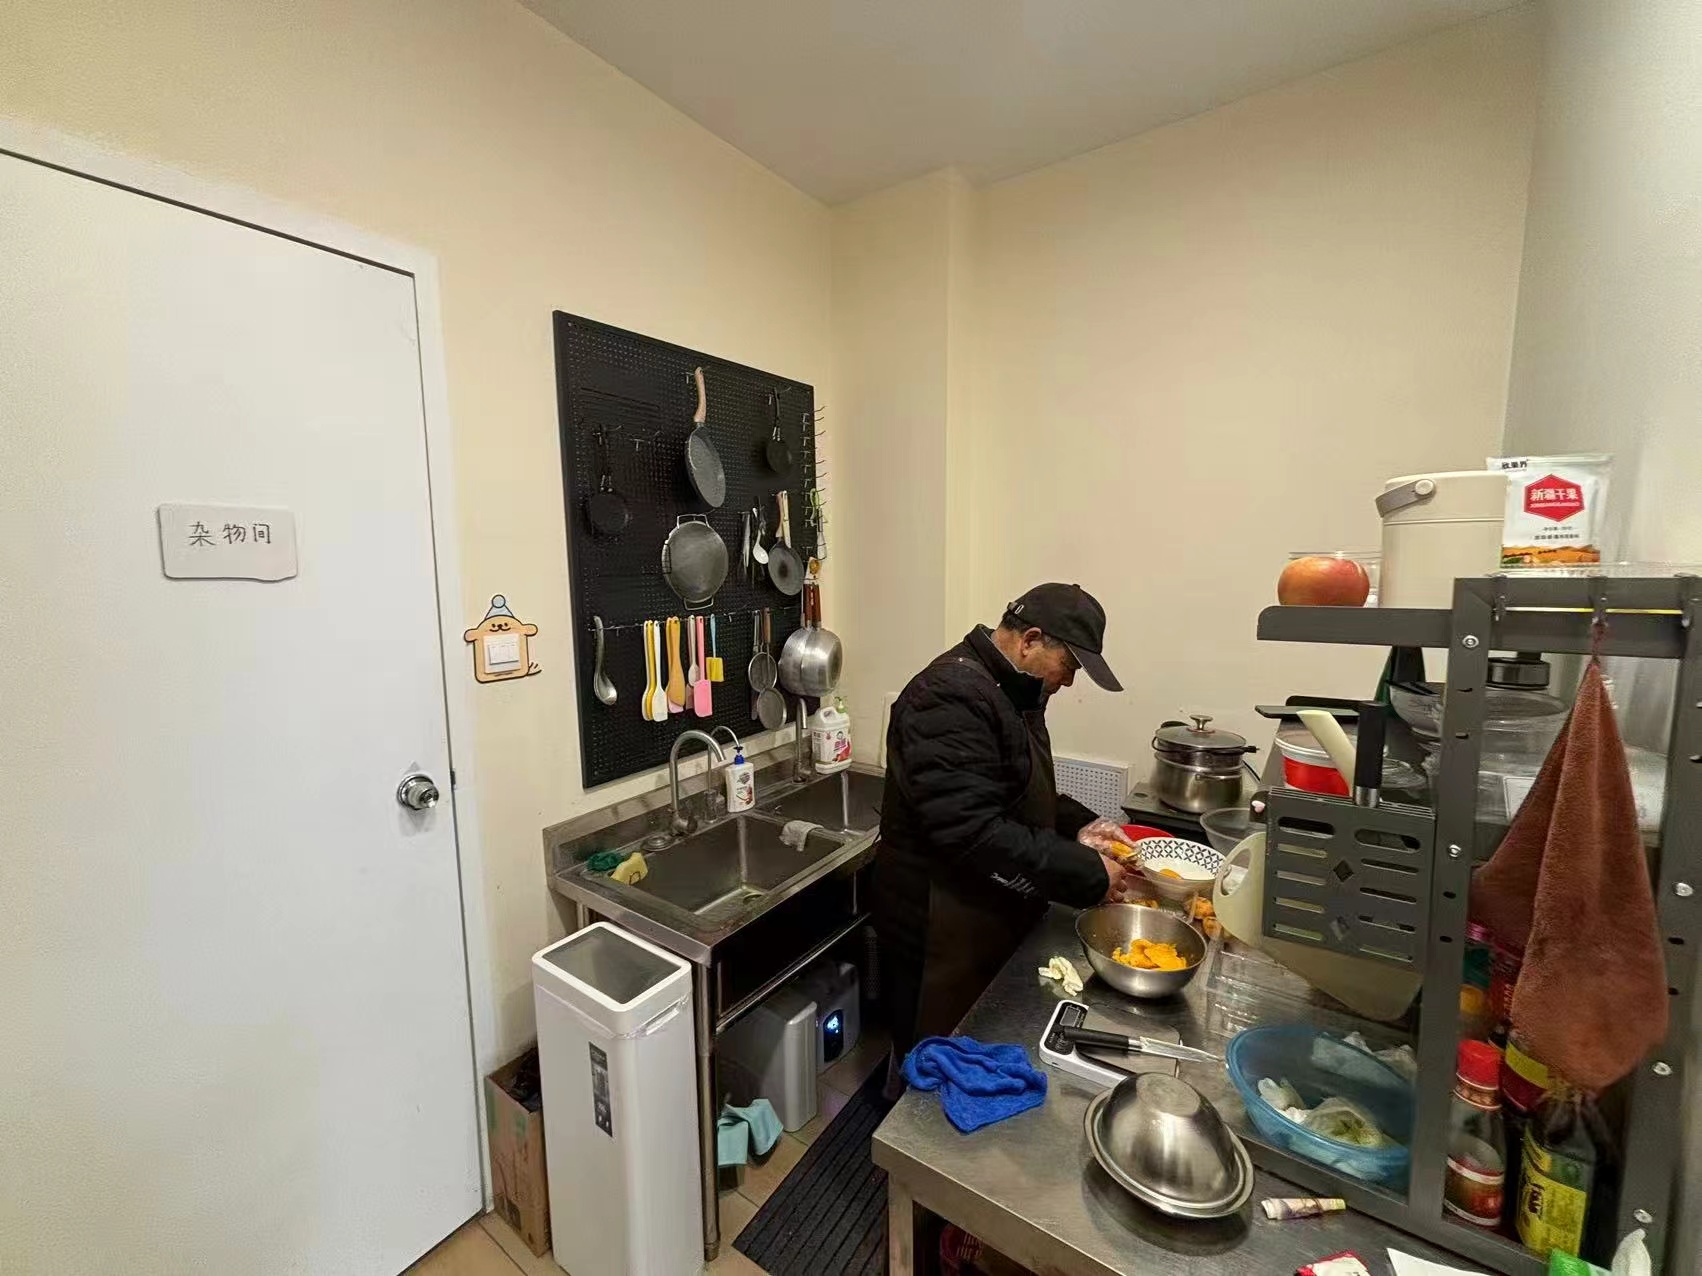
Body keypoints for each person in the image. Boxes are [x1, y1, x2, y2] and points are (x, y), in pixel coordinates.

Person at [874, 582, 1139, 1074]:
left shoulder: (1012, 689)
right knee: (929, 1049)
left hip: (978, 906)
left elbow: (1014, 789)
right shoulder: (949, 695)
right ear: (1031, 640)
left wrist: (1081, 825)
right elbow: (972, 831)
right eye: (1070, 666)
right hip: (935, 916)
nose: (1070, 682)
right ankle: (897, 1101)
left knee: (971, 1039)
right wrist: (1085, 872)